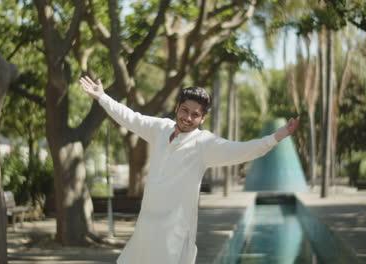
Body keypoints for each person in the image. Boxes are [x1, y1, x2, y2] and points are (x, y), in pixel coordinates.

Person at [80, 76, 300, 264]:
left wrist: (277, 136)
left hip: (174, 232)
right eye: (184, 110)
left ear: (203, 118)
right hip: (146, 226)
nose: (187, 117)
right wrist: (102, 97)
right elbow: (130, 117)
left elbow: (243, 150)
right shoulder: (160, 128)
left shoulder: (205, 144)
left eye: (195, 114)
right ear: (177, 108)